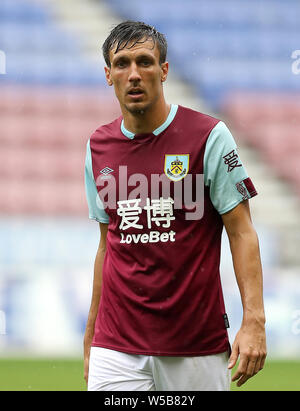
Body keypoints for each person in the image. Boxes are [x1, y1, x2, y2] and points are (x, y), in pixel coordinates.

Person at [84, 20, 266, 391]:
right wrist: (91, 336)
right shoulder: (97, 146)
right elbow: (107, 245)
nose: (133, 74)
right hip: (115, 346)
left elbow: (242, 230)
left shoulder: (208, 136)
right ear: (108, 74)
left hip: (194, 346)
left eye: (144, 62)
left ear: (164, 70)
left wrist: (254, 321)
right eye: (121, 63)